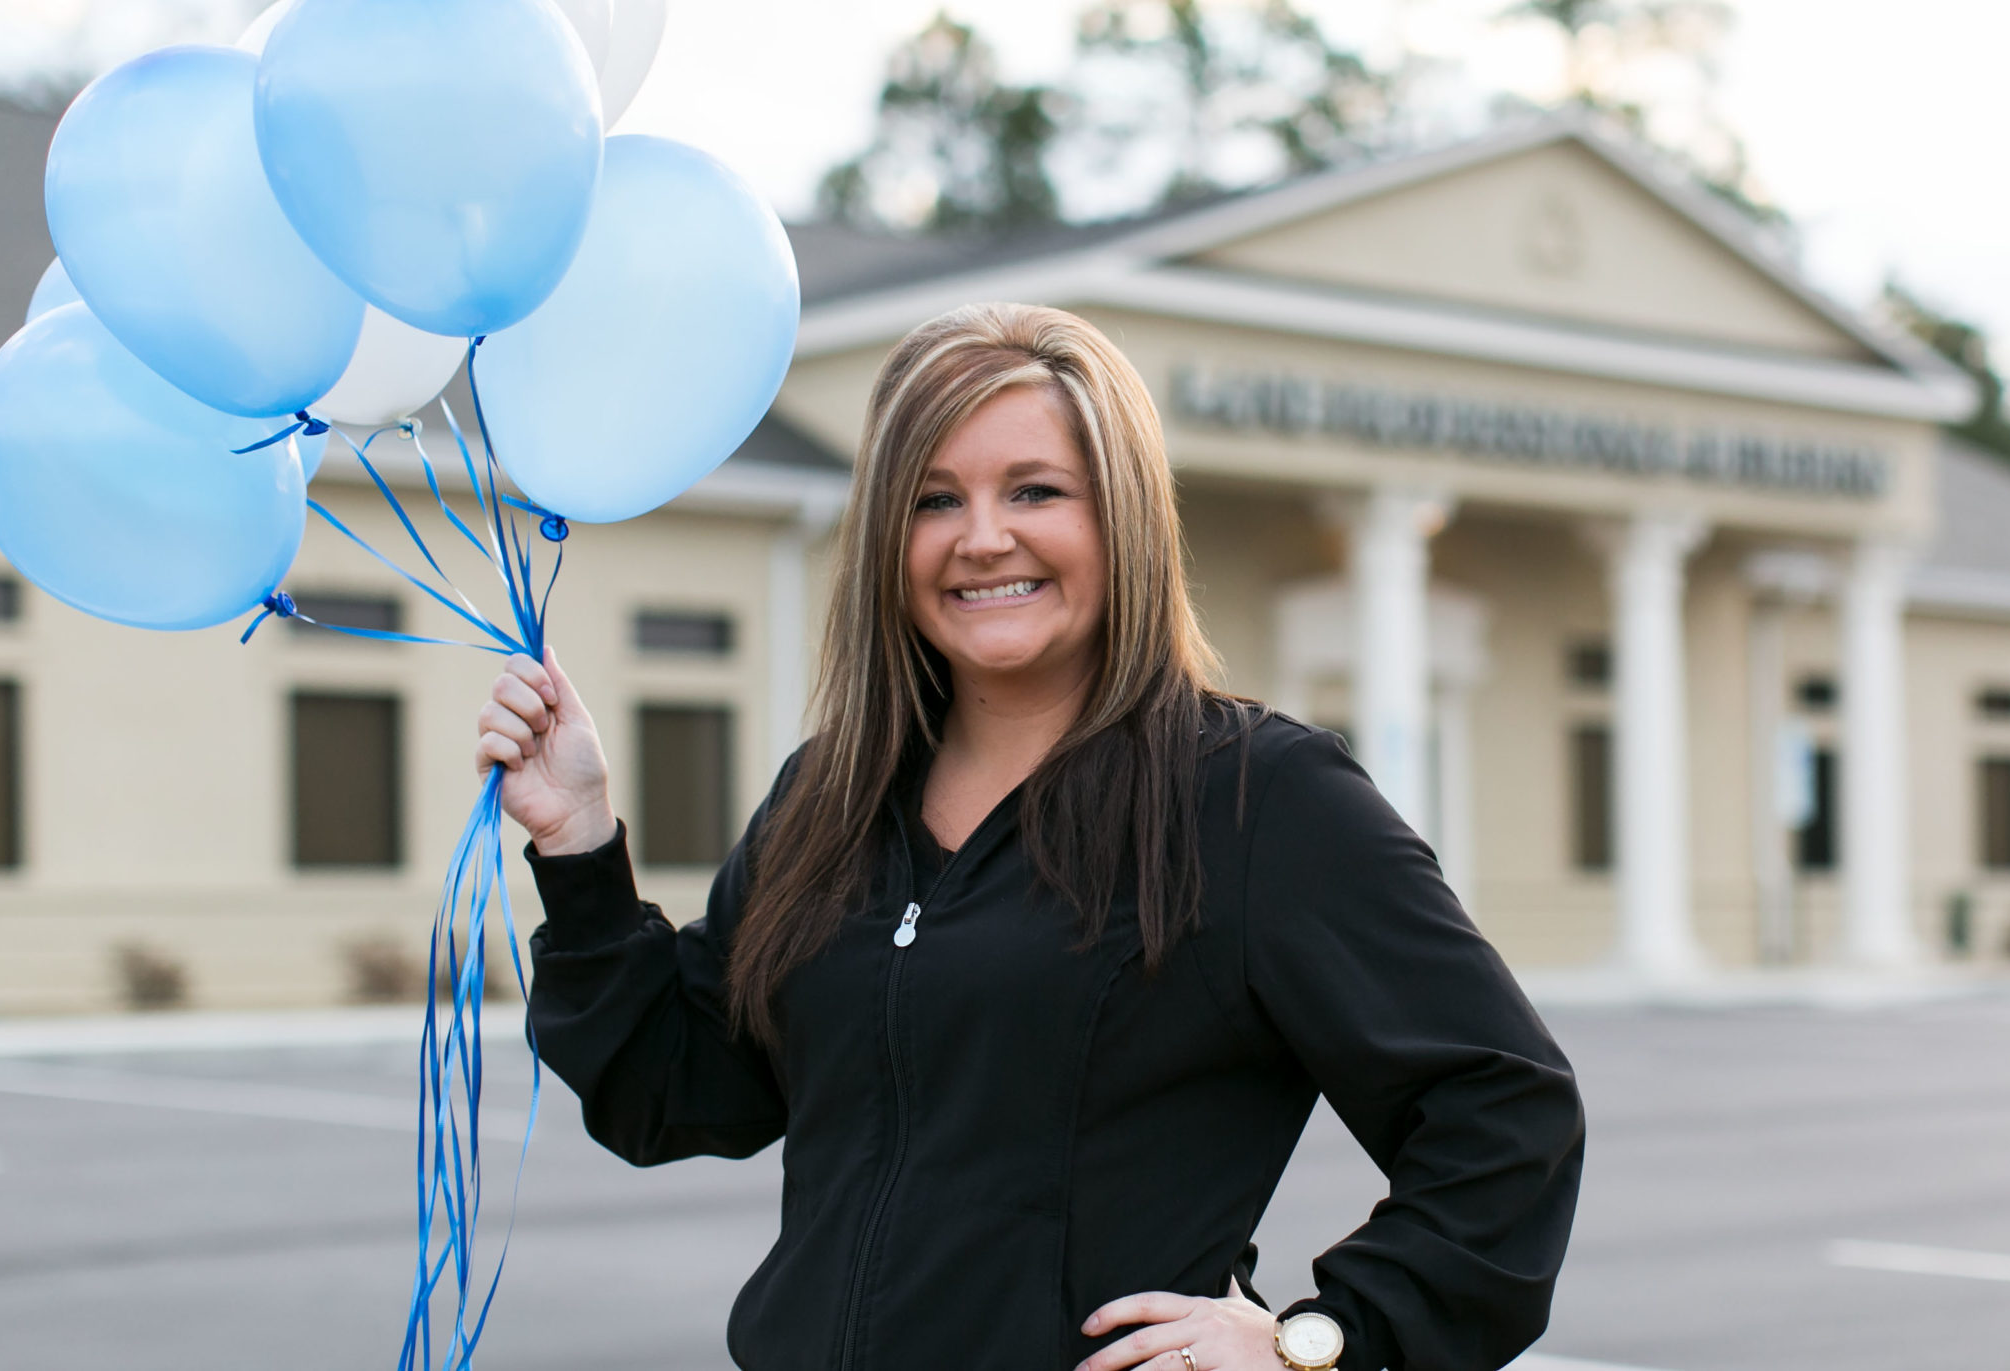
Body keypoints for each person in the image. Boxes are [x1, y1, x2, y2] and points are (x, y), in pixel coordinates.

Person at [477, 302, 1583, 1371]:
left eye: (1036, 490)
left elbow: (1505, 1114)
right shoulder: (831, 796)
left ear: (1123, 518)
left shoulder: (1255, 799)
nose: (982, 538)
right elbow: (676, 1095)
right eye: (933, 499)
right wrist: (579, 844)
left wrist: (1321, 1344)